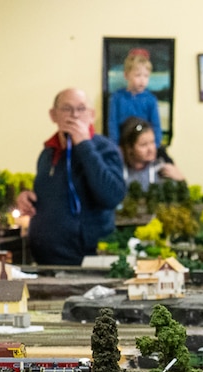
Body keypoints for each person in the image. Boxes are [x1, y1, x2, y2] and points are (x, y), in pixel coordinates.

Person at [15, 88, 125, 265]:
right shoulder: (48, 153)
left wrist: (84, 145)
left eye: (81, 109)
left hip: (85, 261)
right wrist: (28, 198)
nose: (74, 115)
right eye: (67, 109)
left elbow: (112, 196)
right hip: (45, 258)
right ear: (53, 115)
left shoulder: (105, 149)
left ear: (92, 115)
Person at [108, 49, 162, 146]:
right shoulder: (116, 98)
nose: (142, 80)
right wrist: (115, 147)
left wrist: (155, 146)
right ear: (126, 75)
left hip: (144, 146)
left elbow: (156, 126)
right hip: (123, 145)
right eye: (138, 75)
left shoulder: (151, 99)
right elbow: (113, 125)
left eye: (146, 76)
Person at [119, 117, 184, 190]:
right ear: (129, 148)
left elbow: (183, 196)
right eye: (143, 145)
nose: (151, 149)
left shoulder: (161, 169)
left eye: (152, 142)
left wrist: (181, 180)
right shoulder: (118, 171)